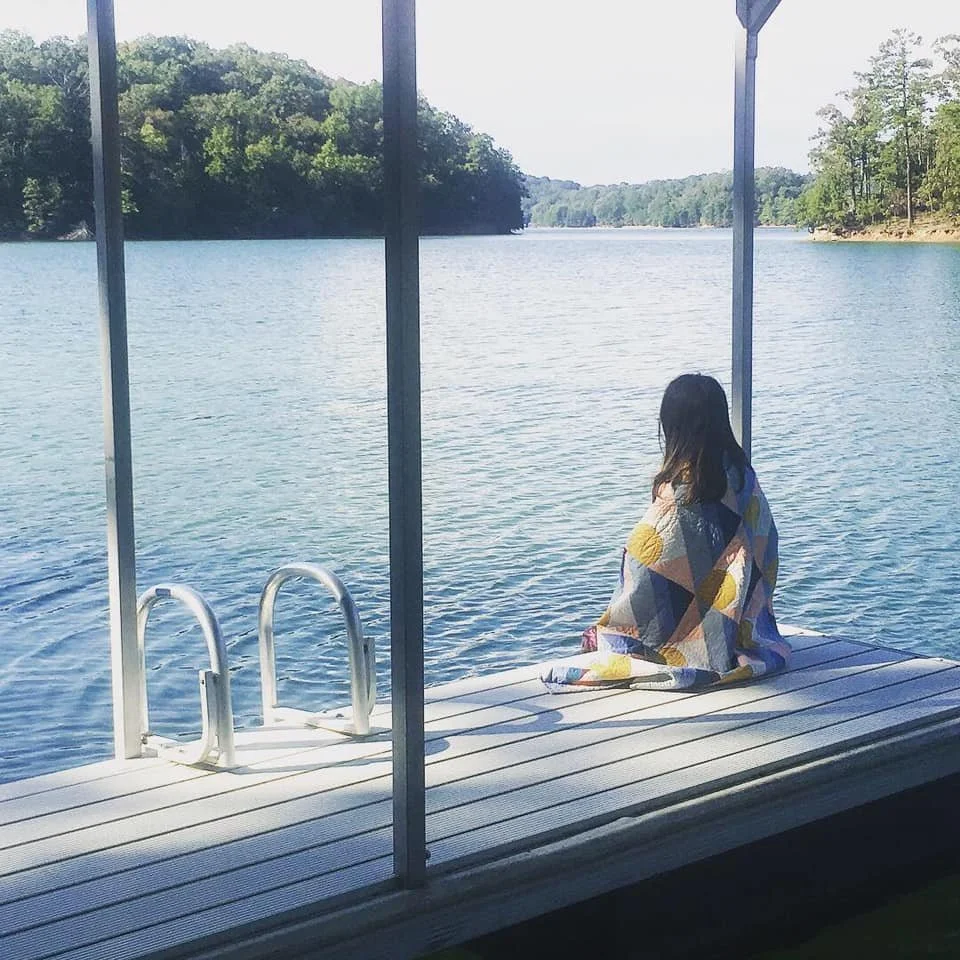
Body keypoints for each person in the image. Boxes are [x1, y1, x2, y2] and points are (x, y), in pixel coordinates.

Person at [541, 373, 790, 692]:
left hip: (703, 636)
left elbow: (644, 567)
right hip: (748, 624)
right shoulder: (742, 475)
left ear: (673, 426)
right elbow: (763, 547)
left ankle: (691, 645)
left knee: (615, 631)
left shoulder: (682, 490)